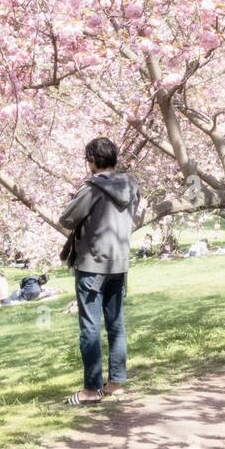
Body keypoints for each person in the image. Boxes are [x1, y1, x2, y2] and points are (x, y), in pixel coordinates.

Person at [59, 136, 141, 406]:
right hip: (119, 264)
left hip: (93, 265)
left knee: (90, 328)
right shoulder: (131, 185)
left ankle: (92, 390)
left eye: (88, 160)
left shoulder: (92, 188)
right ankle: (115, 384)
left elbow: (67, 218)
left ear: (93, 160)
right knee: (116, 325)